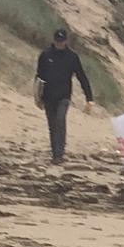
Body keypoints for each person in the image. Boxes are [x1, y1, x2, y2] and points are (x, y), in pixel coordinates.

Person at [35, 29, 93, 164]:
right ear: (54, 40)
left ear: (66, 41)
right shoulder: (45, 55)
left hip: (64, 96)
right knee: (52, 125)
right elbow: (39, 76)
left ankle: (60, 154)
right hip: (48, 96)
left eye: (62, 41)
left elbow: (81, 77)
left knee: (60, 121)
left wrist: (89, 98)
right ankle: (55, 153)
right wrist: (37, 97)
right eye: (57, 41)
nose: (59, 43)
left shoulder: (72, 57)